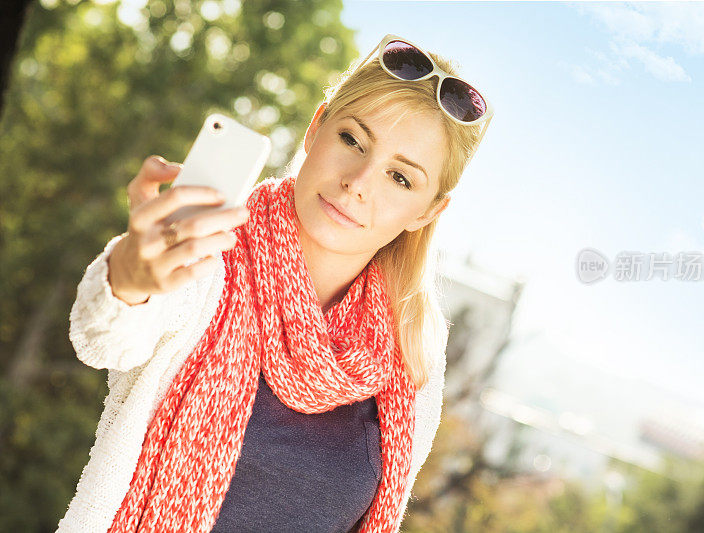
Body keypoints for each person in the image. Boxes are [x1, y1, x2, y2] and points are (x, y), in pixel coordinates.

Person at [58, 33, 493, 533]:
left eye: (401, 178)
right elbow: (102, 337)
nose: (359, 180)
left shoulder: (412, 349)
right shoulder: (210, 256)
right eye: (352, 139)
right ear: (315, 129)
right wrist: (130, 276)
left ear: (429, 211)